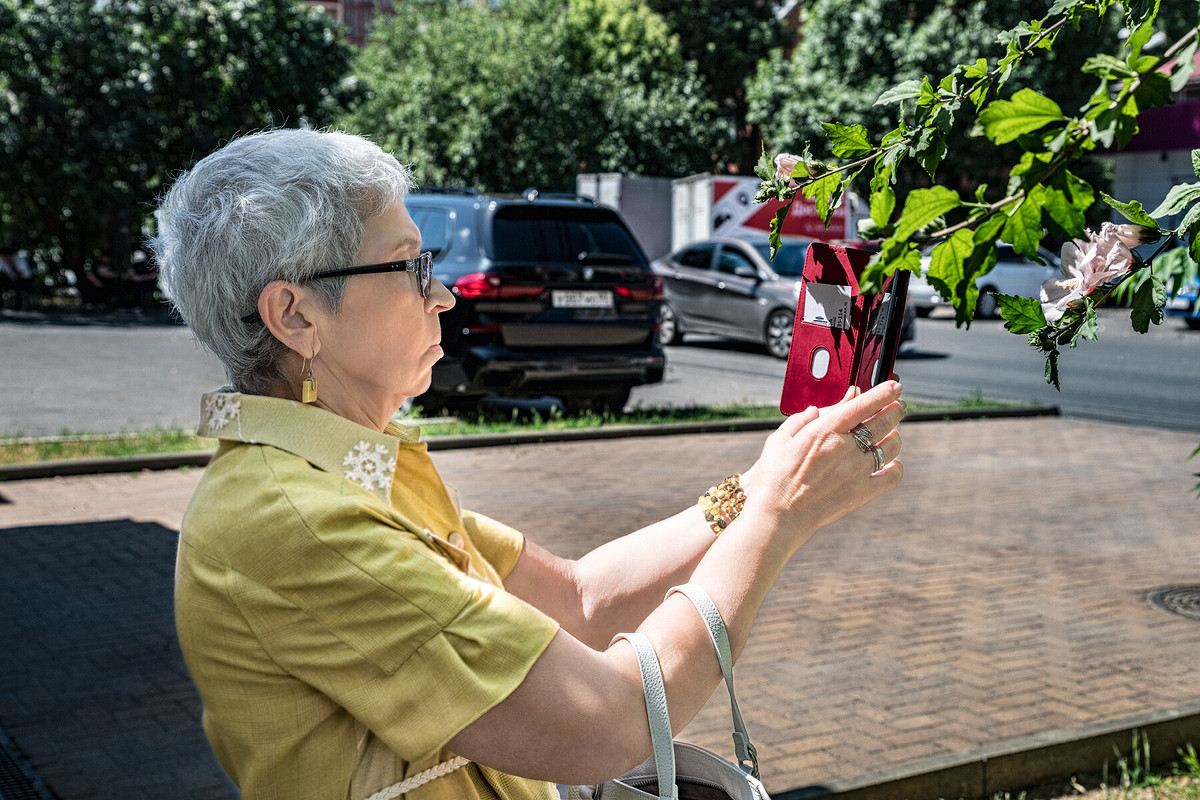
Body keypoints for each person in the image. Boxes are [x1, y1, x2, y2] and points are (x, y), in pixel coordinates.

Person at [151, 128, 906, 800]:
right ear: (295, 314)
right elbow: (609, 723)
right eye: (407, 269)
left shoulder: (342, 471)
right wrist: (778, 512)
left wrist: (762, 481)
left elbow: (578, 595)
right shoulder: (298, 519)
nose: (441, 294)